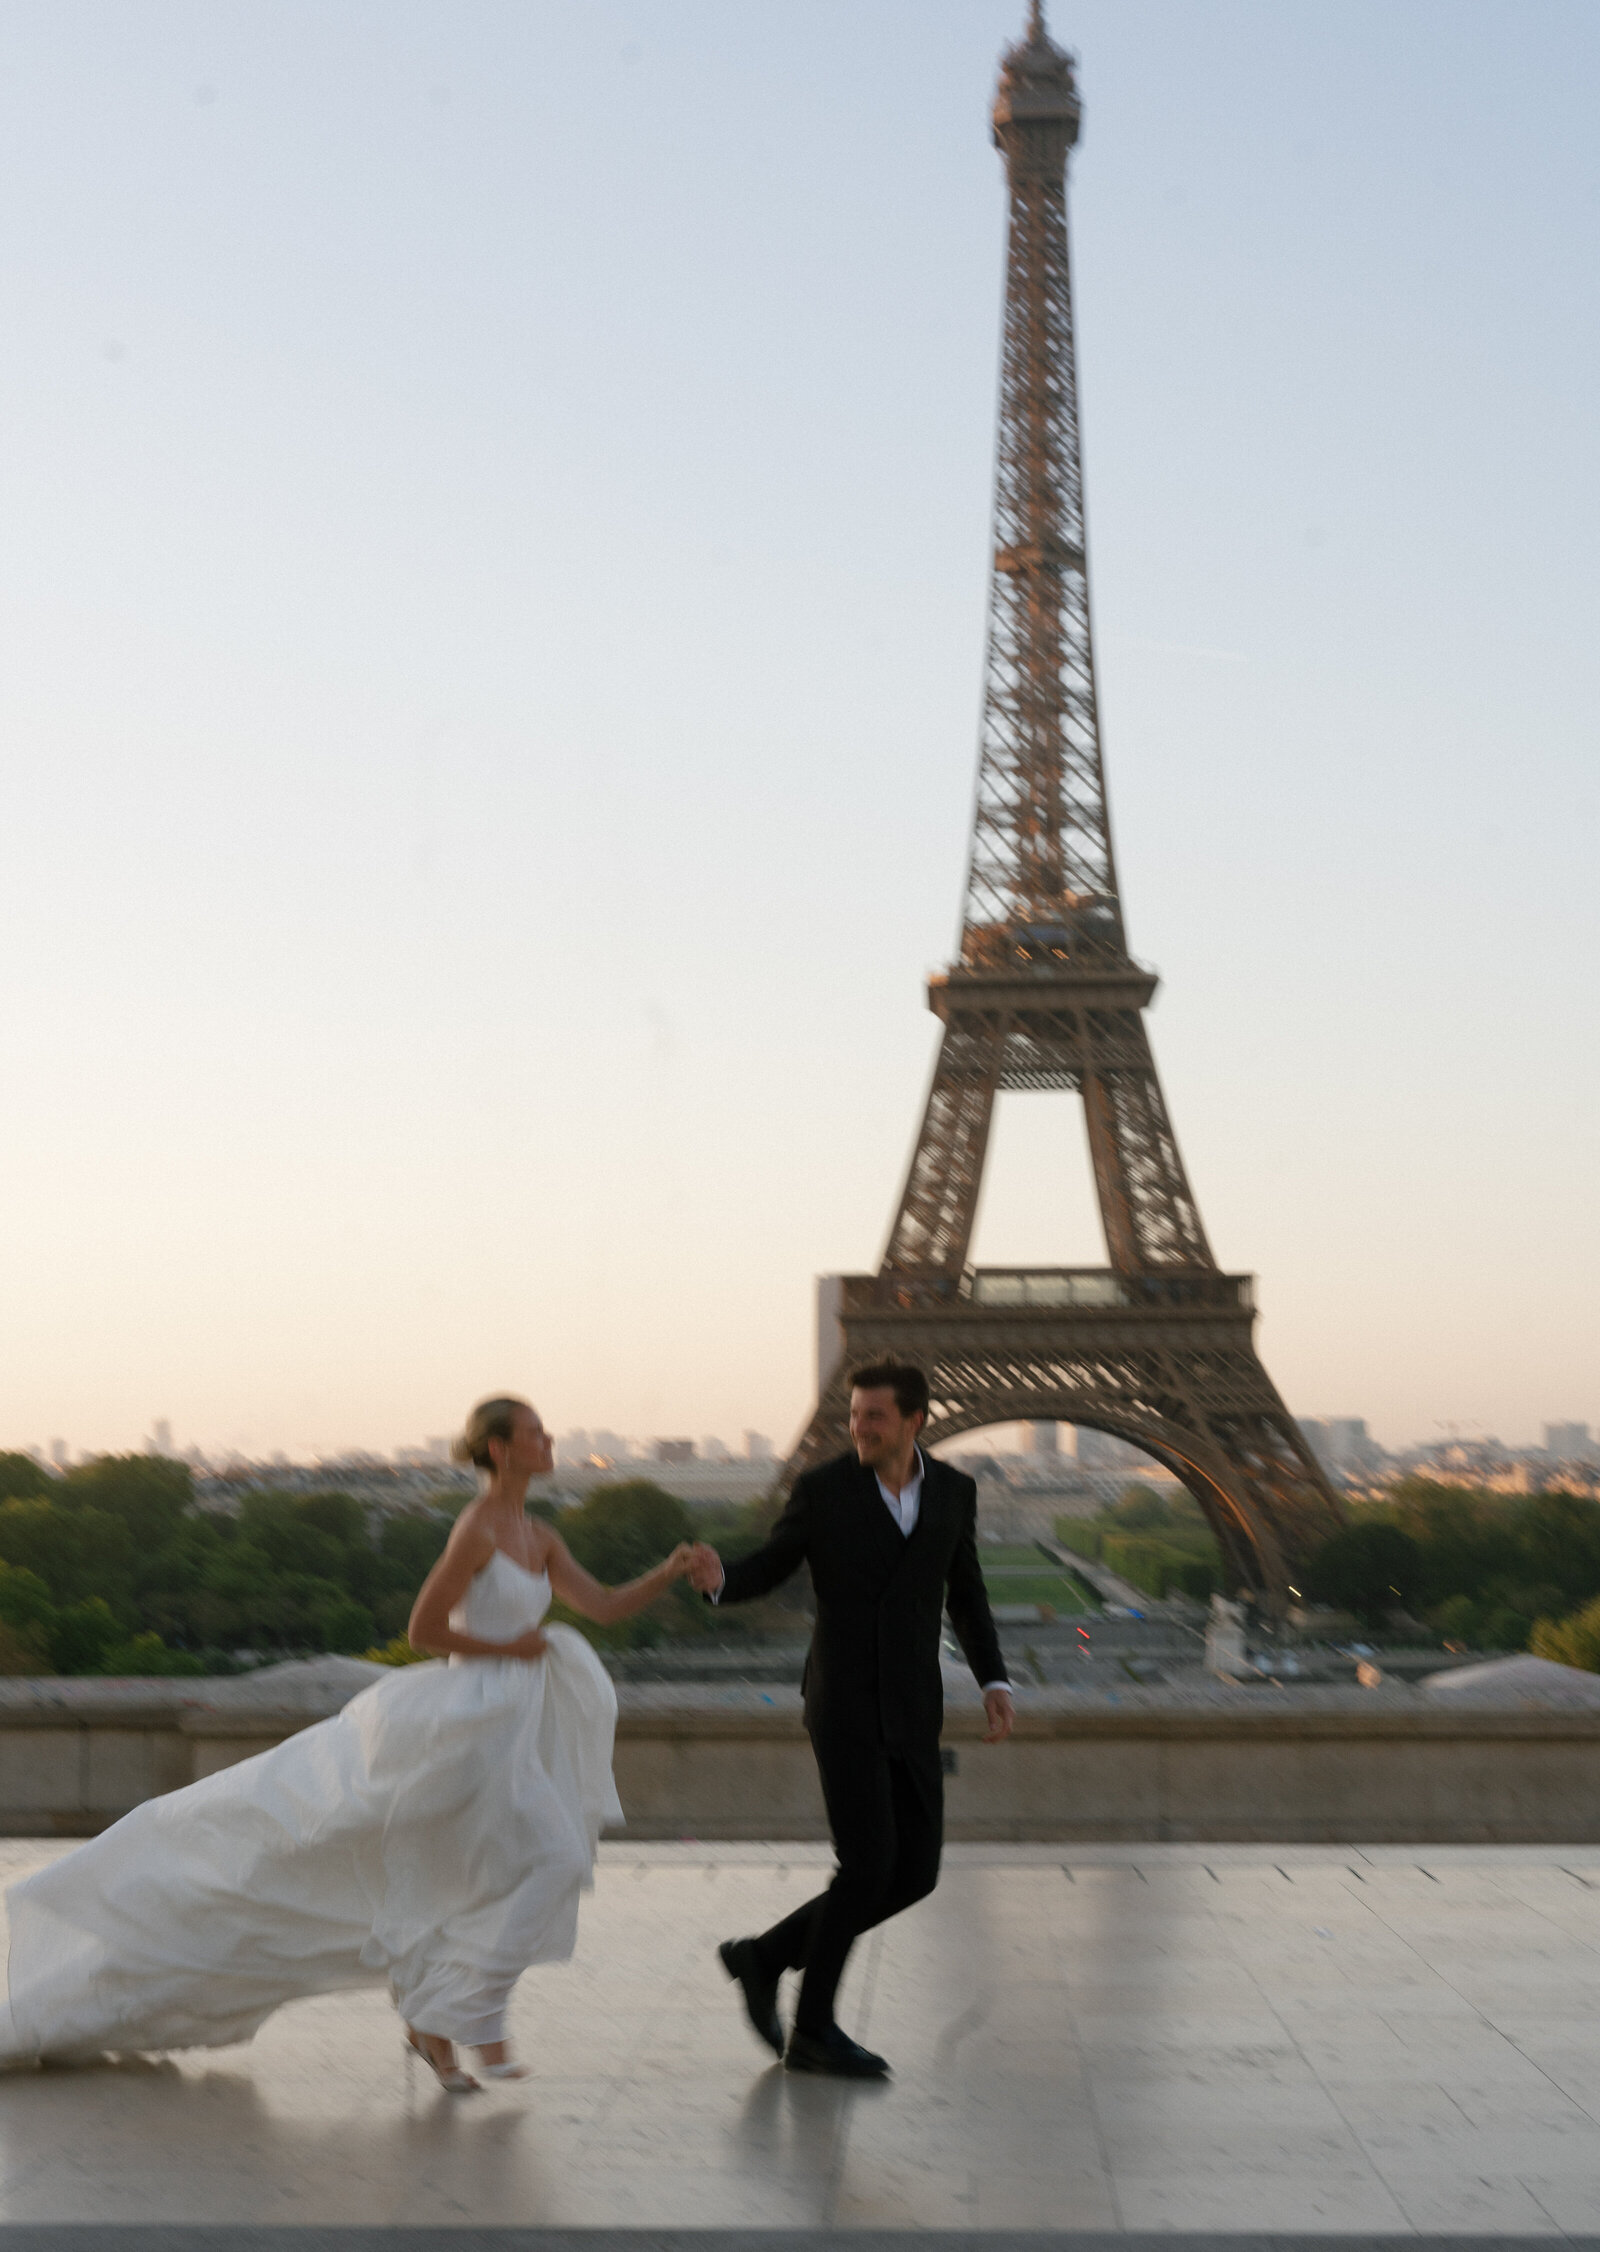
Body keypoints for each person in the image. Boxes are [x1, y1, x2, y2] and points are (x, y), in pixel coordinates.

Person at [0, 1395, 692, 2092]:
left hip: (509, 1729)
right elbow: (425, 1629)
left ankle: (445, 2016)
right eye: (537, 1433)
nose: (551, 1442)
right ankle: (465, 2018)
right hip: (464, 1726)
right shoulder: (479, 1529)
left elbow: (600, 1605)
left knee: (523, 1865)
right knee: (503, 1864)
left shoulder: (538, 1533)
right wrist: (507, 1646)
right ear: (501, 1450)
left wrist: (669, 1571)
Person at [688, 1360, 1013, 2078]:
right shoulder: (824, 1488)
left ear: (914, 1421)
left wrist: (993, 1677)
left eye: (874, 1417)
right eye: (855, 1416)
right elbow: (772, 1565)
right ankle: (813, 2030)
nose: (859, 1428)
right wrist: (721, 1581)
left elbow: (967, 1592)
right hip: (844, 1705)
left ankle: (764, 1955)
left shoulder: (955, 1492)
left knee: (916, 1871)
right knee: (867, 1867)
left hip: (912, 1705)